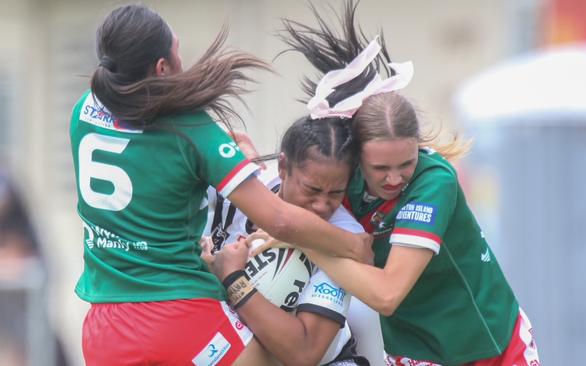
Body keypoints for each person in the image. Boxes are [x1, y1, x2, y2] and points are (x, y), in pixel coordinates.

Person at [69, 4, 371, 365]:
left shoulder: (84, 110)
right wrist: (352, 245)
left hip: (104, 326)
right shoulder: (189, 127)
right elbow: (279, 219)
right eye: (177, 51)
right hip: (178, 313)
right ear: (162, 68)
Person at [271, 1, 541, 365]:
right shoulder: (341, 181)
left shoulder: (433, 180)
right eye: (380, 167)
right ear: (357, 159)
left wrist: (304, 238)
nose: (395, 178)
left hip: (488, 344)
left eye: (406, 163)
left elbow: (386, 295)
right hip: (413, 350)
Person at [203, 115, 384, 366]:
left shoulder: (345, 238)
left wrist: (233, 279)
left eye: (335, 193)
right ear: (283, 167)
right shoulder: (238, 189)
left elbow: (305, 353)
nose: (321, 206)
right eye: (311, 190)